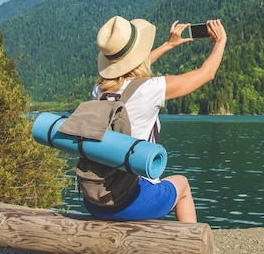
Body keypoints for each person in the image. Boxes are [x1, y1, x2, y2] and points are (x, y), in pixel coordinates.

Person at [83, 16, 227, 222]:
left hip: (96, 198)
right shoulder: (149, 90)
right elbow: (207, 73)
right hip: (130, 201)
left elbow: (129, 72)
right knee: (182, 184)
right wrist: (221, 41)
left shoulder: (99, 90)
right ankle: (191, 245)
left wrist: (169, 45)